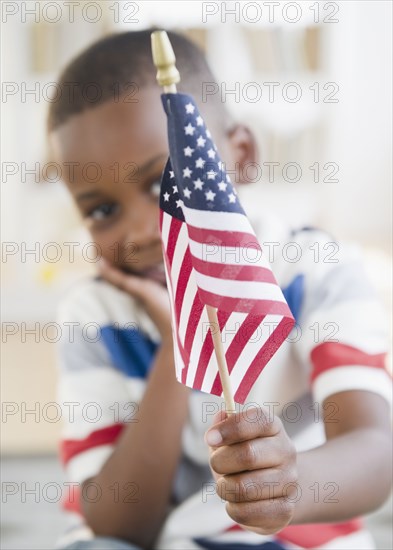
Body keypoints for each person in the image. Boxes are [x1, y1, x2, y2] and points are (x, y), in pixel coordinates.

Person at [48, 30, 392, 550]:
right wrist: (175, 344)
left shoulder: (316, 267)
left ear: (243, 154)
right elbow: (117, 523)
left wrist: (288, 482)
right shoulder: (92, 314)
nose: (145, 229)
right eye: (102, 210)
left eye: (165, 183)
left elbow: (375, 447)